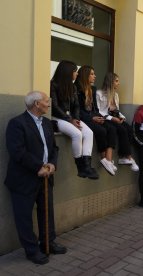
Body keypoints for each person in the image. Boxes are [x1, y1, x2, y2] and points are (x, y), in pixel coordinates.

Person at [5, 91, 67, 265]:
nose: (49, 103)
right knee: (23, 216)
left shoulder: (47, 123)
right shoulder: (17, 124)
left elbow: (54, 149)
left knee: (46, 211)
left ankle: (48, 242)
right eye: (46, 101)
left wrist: (52, 164)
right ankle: (32, 250)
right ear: (36, 104)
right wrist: (39, 166)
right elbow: (17, 151)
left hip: (46, 176)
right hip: (24, 179)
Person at [50, 60, 98, 179]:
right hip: (57, 118)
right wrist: (69, 119)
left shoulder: (72, 87)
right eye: (75, 71)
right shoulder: (53, 85)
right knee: (77, 134)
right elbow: (54, 107)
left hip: (70, 118)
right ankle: (80, 167)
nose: (77, 74)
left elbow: (76, 105)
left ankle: (87, 165)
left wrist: (75, 119)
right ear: (67, 72)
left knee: (89, 132)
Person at [76, 66, 117, 176]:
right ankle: (103, 158)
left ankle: (108, 160)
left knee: (111, 128)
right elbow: (77, 110)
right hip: (83, 118)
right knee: (101, 131)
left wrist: (99, 117)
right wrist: (92, 118)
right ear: (85, 75)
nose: (95, 76)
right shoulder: (77, 89)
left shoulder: (92, 89)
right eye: (92, 74)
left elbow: (95, 108)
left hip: (93, 115)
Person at [96, 72, 139, 172]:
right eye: (116, 81)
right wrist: (112, 118)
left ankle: (124, 156)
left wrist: (121, 117)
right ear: (110, 81)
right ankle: (126, 156)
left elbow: (117, 110)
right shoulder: (99, 93)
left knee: (128, 128)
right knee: (121, 130)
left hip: (115, 117)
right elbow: (98, 111)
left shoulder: (115, 95)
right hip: (106, 118)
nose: (118, 83)